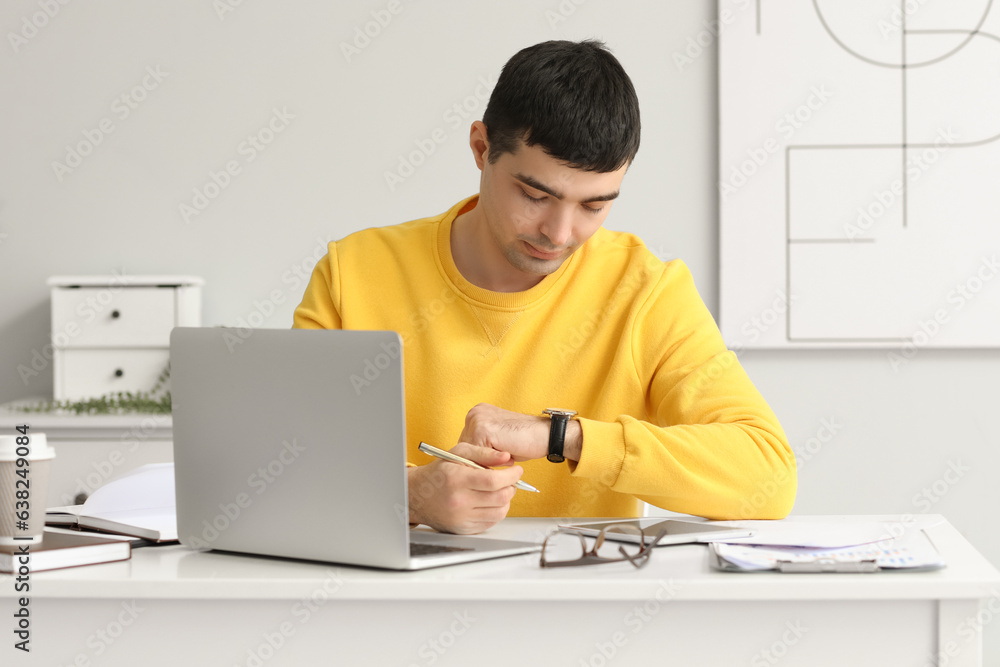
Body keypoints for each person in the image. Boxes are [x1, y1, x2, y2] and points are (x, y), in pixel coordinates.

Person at [292, 39, 796, 534]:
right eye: (535, 195)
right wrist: (409, 497)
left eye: (594, 207)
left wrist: (564, 437)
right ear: (481, 148)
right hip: (377, 610)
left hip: (574, 605)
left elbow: (768, 476)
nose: (559, 234)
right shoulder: (353, 272)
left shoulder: (646, 291)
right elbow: (281, 467)